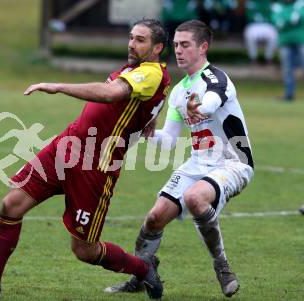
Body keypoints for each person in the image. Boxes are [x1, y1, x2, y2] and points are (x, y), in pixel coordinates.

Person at [0, 19, 171, 299]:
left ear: (158, 47)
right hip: (66, 147)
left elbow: (111, 94)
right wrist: (150, 117)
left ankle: (142, 269)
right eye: (131, 37)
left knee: (85, 250)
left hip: (95, 166)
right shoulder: (135, 69)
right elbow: (151, 100)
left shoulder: (151, 73)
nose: (132, 43)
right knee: (11, 205)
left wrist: (58, 86)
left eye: (140, 40)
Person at [104, 20, 254, 298]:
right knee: (154, 218)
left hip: (233, 162)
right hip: (198, 163)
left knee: (196, 199)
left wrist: (200, 107)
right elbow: (170, 139)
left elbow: (211, 101)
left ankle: (222, 266)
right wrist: (146, 132)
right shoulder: (178, 92)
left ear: (203, 47)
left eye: (185, 45)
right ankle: (140, 274)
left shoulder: (216, 79)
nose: (179, 50)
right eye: (175, 45)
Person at [271, 0, 304, 101]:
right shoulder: (277, 6)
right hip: (285, 42)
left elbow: (299, 18)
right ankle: (289, 95)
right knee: (287, 70)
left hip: (300, 40)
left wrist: (285, 20)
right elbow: (277, 23)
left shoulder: (300, 3)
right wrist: (291, 19)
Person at [244, 0, 278, 65]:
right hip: (254, 25)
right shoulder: (250, 2)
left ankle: (269, 58)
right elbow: (248, 15)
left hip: (267, 25)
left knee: (274, 35)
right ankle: (253, 59)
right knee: (249, 35)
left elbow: (274, 17)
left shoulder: (270, 3)